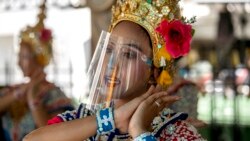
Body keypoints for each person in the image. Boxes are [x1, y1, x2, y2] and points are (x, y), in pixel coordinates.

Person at [24, 0, 205, 141]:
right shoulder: (83, 119)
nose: (111, 64)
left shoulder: (176, 131)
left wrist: (140, 132)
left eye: (128, 54)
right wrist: (112, 119)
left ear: (154, 71)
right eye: (109, 50)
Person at [0, 1, 74, 141]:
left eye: (24, 57)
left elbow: (51, 132)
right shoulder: (14, 90)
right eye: (19, 56)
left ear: (39, 59)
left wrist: (32, 97)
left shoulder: (54, 95)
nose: (19, 62)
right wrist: (22, 90)